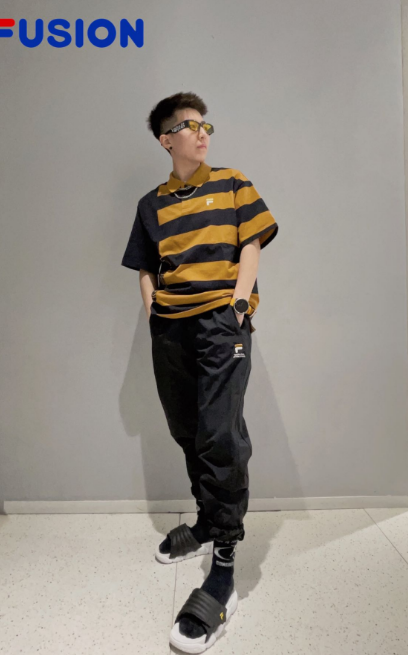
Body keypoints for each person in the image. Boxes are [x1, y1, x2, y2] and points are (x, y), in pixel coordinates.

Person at [121, 91, 278, 652]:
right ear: (167, 140)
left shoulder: (233, 183)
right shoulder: (151, 205)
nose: (202, 132)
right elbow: (145, 265)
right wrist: (153, 313)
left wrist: (237, 305)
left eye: (205, 124)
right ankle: (208, 521)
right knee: (186, 428)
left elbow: (252, 242)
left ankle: (224, 564)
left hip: (219, 324)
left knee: (219, 434)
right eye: (190, 126)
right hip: (172, 330)